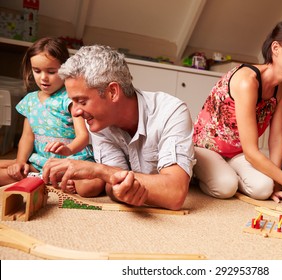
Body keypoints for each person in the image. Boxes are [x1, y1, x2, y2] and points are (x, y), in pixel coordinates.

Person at [192, 19, 282, 206]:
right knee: (225, 187)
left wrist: (277, 185)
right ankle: (196, 174)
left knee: (264, 188)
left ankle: (230, 174)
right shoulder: (246, 81)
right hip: (206, 148)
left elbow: (276, 138)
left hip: (238, 152)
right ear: (276, 49)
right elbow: (252, 152)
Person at [42, 45, 195, 210]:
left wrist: (98, 170)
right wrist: (119, 191)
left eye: (82, 101)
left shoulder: (171, 111)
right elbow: (113, 183)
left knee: (222, 184)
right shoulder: (97, 123)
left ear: (113, 92)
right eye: (74, 102)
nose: (76, 112)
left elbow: (175, 194)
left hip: (197, 153)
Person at [0, 37, 94, 188]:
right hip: (41, 162)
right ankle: (42, 176)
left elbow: (83, 136)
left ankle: (57, 179)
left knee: (89, 187)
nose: (43, 78)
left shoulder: (69, 98)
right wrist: (20, 161)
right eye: (37, 71)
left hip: (71, 161)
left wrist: (68, 150)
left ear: (65, 70)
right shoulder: (30, 100)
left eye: (51, 72)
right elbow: (27, 136)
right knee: (7, 173)